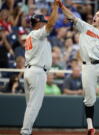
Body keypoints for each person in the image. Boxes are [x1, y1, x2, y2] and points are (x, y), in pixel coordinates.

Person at [57, 1, 99, 135]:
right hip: (88, 67)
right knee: (90, 98)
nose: (95, 16)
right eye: (95, 14)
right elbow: (72, 16)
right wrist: (61, 6)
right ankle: (90, 127)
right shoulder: (85, 27)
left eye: (98, 15)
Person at [20, 0, 59, 135]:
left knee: (30, 105)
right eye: (43, 22)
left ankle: (26, 130)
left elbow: (50, 25)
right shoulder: (37, 34)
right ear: (38, 23)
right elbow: (52, 23)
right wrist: (55, 8)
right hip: (36, 72)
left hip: (30, 70)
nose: (45, 23)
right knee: (33, 105)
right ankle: (25, 132)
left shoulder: (32, 36)